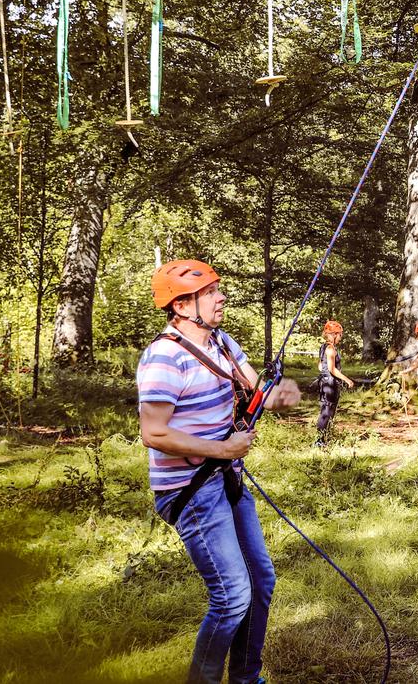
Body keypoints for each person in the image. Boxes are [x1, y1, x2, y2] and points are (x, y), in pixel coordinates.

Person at [136, 259, 301, 684]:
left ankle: (246, 678)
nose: (221, 297)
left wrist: (282, 395)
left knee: (261, 581)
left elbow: (258, 392)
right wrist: (223, 448)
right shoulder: (164, 357)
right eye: (211, 292)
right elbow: (153, 433)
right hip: (190, 491)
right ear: (182, 304)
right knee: (231, 596)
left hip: (226, 480)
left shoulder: (222, 343)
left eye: (217, 290)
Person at [314, 320, 355, 447]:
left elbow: (321, 366)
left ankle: (324, 438)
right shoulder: (330, 348)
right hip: (330, 384)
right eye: (340, 335)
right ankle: (319, 441)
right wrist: (347, 379)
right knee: (327, 411)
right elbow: (332, 369)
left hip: (325, 382)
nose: (340, 338)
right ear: (334, 334)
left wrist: (324, 376)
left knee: (328, 411)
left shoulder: (323, 347)